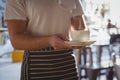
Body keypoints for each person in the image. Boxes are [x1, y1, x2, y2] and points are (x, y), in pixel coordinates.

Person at [4, 0, 86, 80]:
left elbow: (81, 29)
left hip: (67, 63)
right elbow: (16, 41)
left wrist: (80, 38)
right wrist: (49, 41)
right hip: (37, 64)